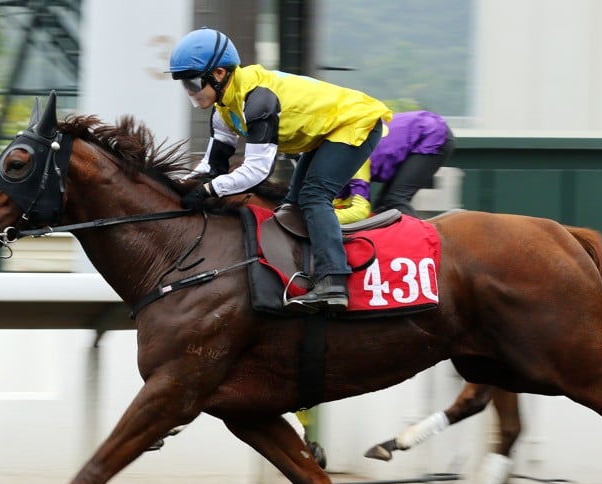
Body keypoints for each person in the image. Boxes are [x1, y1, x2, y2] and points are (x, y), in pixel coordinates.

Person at [170, 27, 392, 313]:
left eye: (193, 82)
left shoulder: (258, 99)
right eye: (184, 84)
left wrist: (210, 190)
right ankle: (304, 271)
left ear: (220, 74)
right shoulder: (224, 108)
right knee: (292, 205)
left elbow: (257, 171)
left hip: (353, 122)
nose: (190, 91)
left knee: (313, 197)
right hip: (323, 133)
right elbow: (213, 165)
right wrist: (180, 185)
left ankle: (334, 281)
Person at [333, 110, 455, 222]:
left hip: (431, 135)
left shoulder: (350, 160)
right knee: (382, 208)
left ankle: (423, 242)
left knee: (394, 201)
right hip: (413, 135)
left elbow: (361, 210)